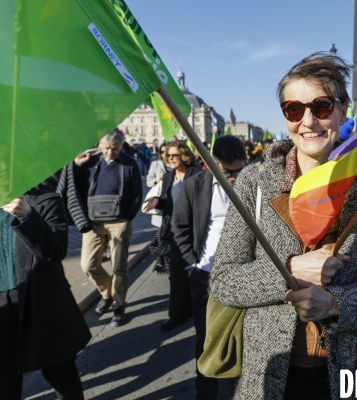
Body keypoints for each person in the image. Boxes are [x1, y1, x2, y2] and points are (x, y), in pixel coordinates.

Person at [209, 53, 357, 400]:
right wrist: (289, 269)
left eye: (322, 106)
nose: (309, 121)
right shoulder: (254, 182)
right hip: (269, 373)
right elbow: (223, 282)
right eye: (294, 109)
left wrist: (335, 304)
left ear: (342, 111)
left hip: (348, 372)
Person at [0, 177, 91, 400]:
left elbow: (55, 251)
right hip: (1, 308)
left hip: (41, 303)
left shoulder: (45, 200)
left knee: (60, 375)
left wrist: (28, 216)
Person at [171, 136, 246, 399]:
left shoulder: (253, 184)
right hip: (205, 276)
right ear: (213, 163)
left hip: (243, 278)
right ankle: (206, 394)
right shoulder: (194, 186)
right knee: (206, 341)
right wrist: (193, 264)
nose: (235, 177)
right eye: (228, 171)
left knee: (244, 340)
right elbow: (178, 227)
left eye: (240, 169)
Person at [74, 129, 143, 327]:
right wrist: (78, 166)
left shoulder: (129, 163)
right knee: (88, 265)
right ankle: (107, 294)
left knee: (119, 267)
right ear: (99, 145)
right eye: (106, 148)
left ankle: (119, 306)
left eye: (115, 148)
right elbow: (76, 186)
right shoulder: (91, 161)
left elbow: (137, 194)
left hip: (119, 220)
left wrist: (127, 218)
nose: (110, 153)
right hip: (94, 221)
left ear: (122, 146)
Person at [144, 141, 203, 331]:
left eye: (174, 155)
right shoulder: (168, 176)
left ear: (184, 155)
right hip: (175, 232)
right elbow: (170, 203)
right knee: (176, 276)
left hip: (195, 231)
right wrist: (157, 201)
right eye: (167, 155)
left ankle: (201, 313)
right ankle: (177, 315)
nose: (170, 159)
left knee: (197, 275)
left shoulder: (197, 173)